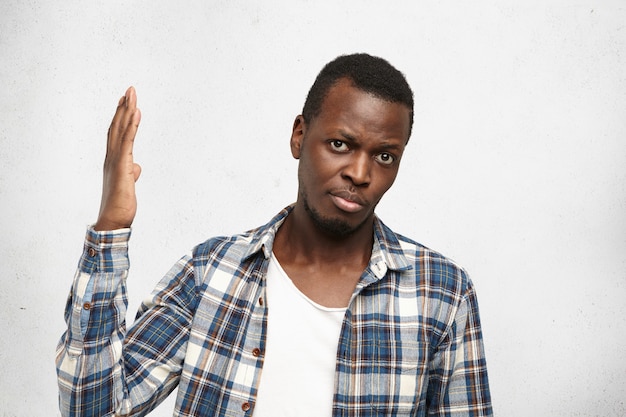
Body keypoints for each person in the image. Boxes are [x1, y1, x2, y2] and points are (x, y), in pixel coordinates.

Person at [56, 53, 493, 417]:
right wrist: (111, 227)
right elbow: (93, 409)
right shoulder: (211, 273)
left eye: (384, 156)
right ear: (299, 135)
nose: (360, 174)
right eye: (340, 144)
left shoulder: (442, 292)